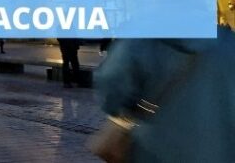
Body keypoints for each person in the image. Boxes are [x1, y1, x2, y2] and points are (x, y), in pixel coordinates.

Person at [94, 25, 235, 162]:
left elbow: (110, 85)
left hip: (153, 149)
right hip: (217, 150)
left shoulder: (141, 38)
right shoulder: (227, 42)